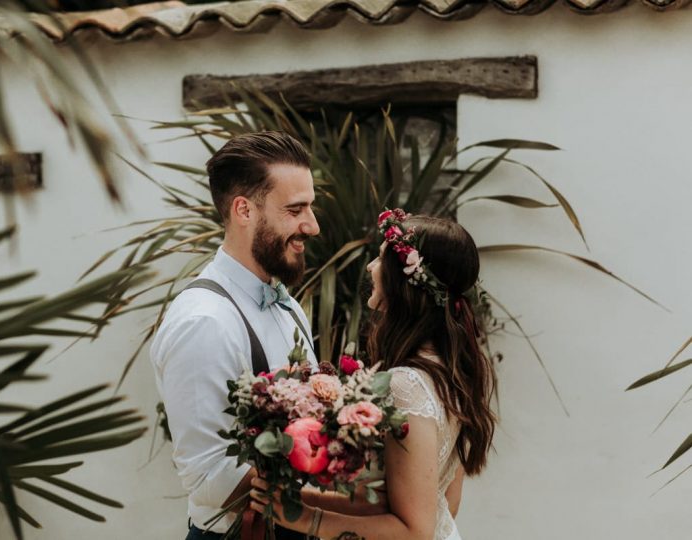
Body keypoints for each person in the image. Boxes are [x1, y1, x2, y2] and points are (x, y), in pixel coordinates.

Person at [249, 210, 496, 540]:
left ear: (404, 281)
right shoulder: (453, 374)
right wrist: (292, 499)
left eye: (380, 259)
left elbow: (414, 530)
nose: (370, 267)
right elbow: (443, 505)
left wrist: (309, 520)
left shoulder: (406, 385)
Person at [150, 131, 321, 539]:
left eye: (310, 208)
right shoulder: (204, 322)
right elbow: (208, 476)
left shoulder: (288, 306)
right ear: (244, 210)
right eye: (295, 210)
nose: (311, 226)